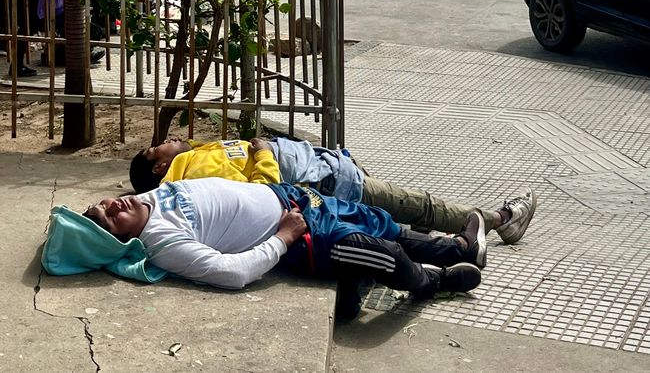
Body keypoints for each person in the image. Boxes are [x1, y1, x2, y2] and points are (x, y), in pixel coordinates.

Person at [42, 177, 487, 320]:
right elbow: (231, 273)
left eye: (103, 204)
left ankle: (455, 248)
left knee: (376, 219)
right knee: (371, 249)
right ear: (121, 238)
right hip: (299, 236)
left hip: (291, 197)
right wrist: (284, 237)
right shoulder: (163, 243)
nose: (113, 204)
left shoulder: (149, 195)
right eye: (109, 217)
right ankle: (432, 281)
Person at [129, 136, 536, 244]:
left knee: (407, 214)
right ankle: (502, 220)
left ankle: (463, 235)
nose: (169, 139)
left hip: (330, 171)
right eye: (158, 146)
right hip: (328, 186)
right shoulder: (193, 171)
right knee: (419, 206)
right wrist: (266, 153)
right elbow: (260, 194)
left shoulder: (199, 155)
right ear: (160, 166)